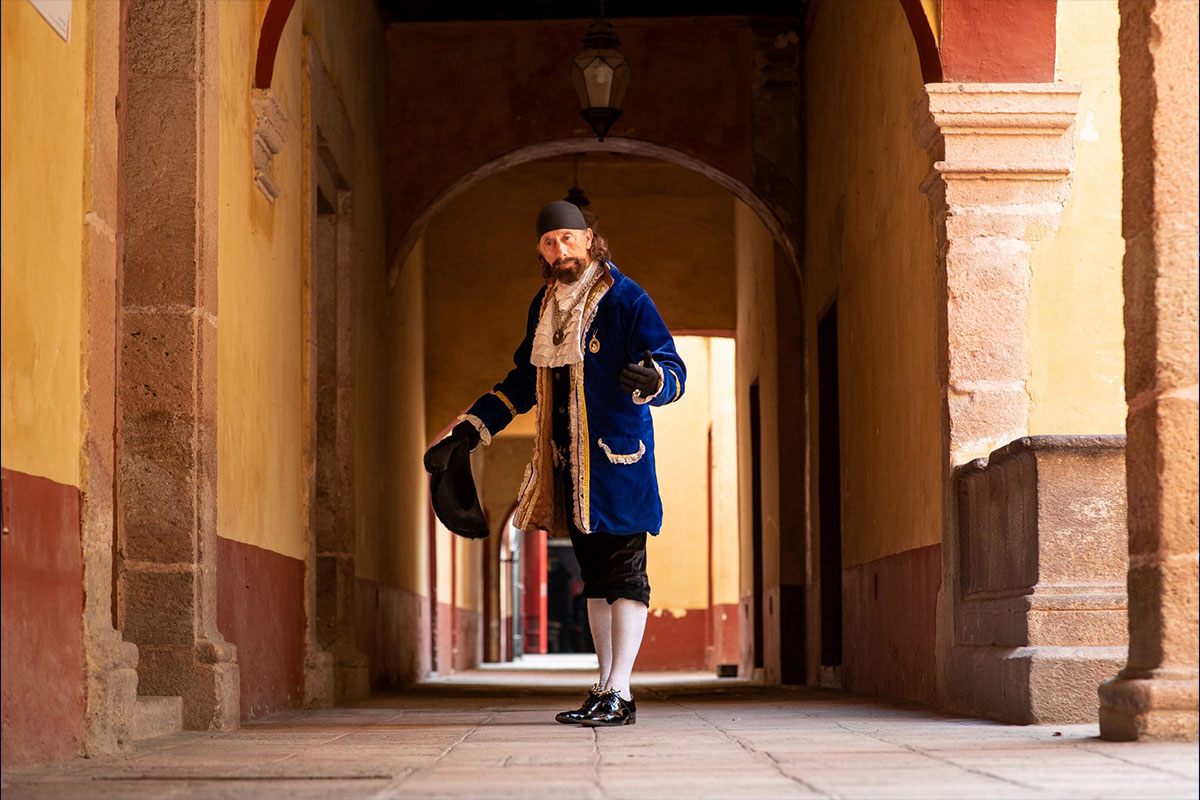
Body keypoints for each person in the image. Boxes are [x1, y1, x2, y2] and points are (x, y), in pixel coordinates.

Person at [425, 200, 686, 727]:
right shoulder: (542, 306)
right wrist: (473, 429)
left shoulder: (626, 298)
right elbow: (523, 381)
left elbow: (673, 367)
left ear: (590, 239)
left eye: (568, 238)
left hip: (619, 464)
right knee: (594, 579)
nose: (559, 249)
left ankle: (621, 690)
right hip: (568, 467)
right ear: (540, 250)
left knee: (626, 575)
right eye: (549, 242)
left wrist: (656, 382)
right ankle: (605, 688)